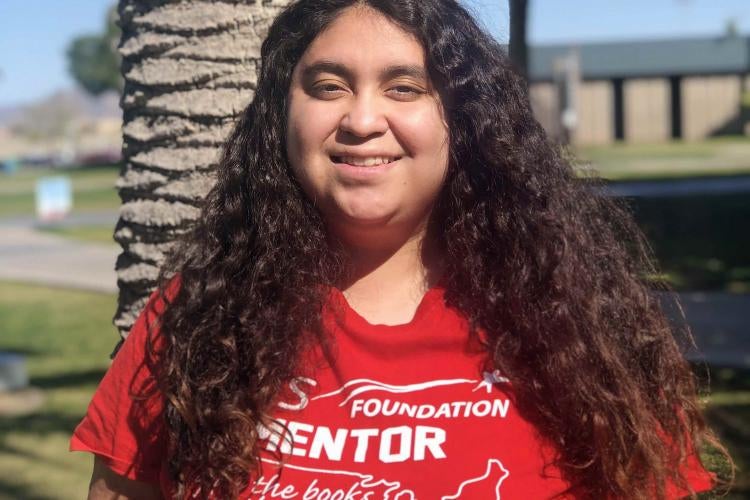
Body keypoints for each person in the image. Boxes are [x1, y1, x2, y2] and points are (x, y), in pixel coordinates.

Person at [70, 0, 730, 498]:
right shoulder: (196, 321)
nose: (361, 120)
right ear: (283, 115)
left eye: (404, 88)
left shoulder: (577, 326)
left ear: (463, 120)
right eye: (327, 87)